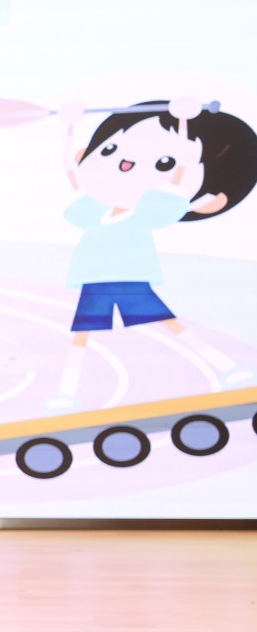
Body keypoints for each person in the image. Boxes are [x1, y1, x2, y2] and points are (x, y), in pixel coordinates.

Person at [46, 99, 257, 410]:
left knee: (169, 325)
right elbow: (72, 170)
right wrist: (70, 127)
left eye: (162, 162)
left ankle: (227, 367)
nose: (125, 164)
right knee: (83, 335)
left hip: (130, 280)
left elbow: (180, 171)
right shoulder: (92, 211)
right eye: (109, 149)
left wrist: (183, 121)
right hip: (94, 282)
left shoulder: (149, 211)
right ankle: (66, 393)